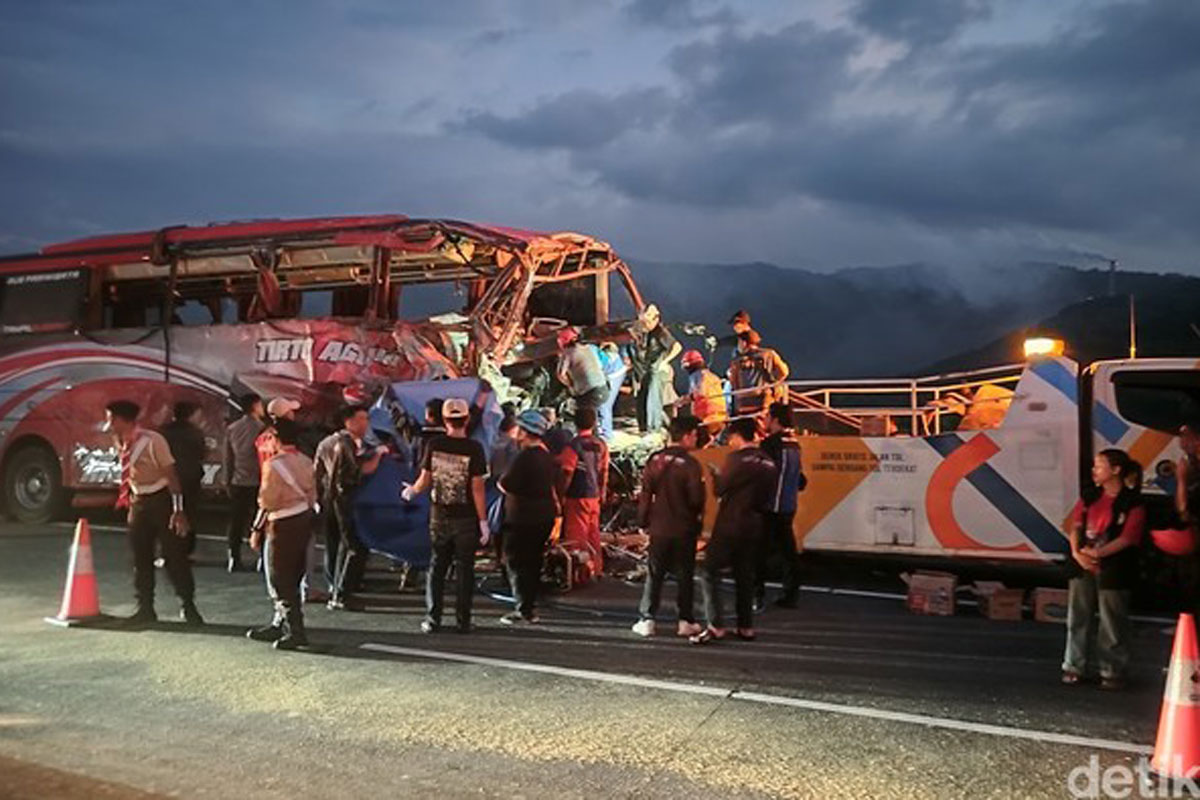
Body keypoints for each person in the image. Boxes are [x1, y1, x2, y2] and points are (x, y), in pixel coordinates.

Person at [106, 400, 203, 627]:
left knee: (174, 556)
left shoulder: (152, 441)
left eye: (111, 419)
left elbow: (172, 477)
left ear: (123, 420)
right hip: (139, 501)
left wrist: (178, 511)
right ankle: (145, 607)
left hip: (162, 500)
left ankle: (188, 605)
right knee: (140, 556)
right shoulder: (120, 440)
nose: (108, 424)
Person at [401, 398, 490, 634]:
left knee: (437, 567)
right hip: (467, 518)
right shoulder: (475, 448)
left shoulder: (435, 445)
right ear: (466, 419)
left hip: (439, 516)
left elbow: (425, 480)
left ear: (444, 419)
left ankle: (433, 619)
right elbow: (477, 488)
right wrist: (483, 521)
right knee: (465, 569)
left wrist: (411, 491)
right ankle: (463, 621)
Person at [1062, 449, 1145, 690]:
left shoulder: (1133, 502)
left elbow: (1128, 538)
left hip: (1114, 567)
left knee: (1112, 620)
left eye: (1099, 466)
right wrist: (1078, 553)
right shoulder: (1089, 497)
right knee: (1078, 616)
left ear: (1116, 470)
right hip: (1083, 563)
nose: (1094, 471)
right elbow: (1075, 526)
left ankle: (1112, 670)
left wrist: (1097, 554)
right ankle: (1073, 666)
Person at [691, 417, 777, 645]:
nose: (729, 442)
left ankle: (716, 625)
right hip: (755, 523)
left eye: (731, 437)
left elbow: (721, 489)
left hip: (731, 523)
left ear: (739, 436)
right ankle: (746, 626)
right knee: (744, 575)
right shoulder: (768, 461)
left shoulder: (738, 459)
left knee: (709, 571)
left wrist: (715, 474)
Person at [632, 415, 705, 638]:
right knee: (685, 574)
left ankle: (647, 619)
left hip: (659, 527)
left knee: (655, 573)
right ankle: (685, 620)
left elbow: (645, 495)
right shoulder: (691, 464)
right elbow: (696, 499)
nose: (696, 439)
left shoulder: (654, 460)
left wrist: (642, 522)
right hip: (684, 528)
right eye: (695, 435)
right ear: (687, 436)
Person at [246, 419, 316, 651]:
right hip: (303, 519)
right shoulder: (306, 461)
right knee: (294, 574)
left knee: (278, 576)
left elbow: (267, 501)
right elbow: (313, 494)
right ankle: (281, 622)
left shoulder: (273, 465)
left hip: (281, 522)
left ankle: (296, 631)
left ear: (276, 438)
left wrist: (256, 529)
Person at [314, 404, 385, 611]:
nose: (366, 424)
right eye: (362, 419)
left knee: (333, 544)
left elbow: (317, 471)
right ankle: (342, 593)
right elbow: (362, 469)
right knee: (354, 546)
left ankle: (333, 585)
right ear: (349, 421)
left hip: (328, 498)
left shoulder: (326, 442)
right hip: (344, 498)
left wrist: (317, 498)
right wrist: (379, 455)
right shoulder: (347, 443)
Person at [498, 410, 560, 625]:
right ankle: (530, 605)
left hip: (521, 518)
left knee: (516, 562)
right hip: (544, 516)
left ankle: (522, 607)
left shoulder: (523, 458)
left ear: (524, 432)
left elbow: (505, 484)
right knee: (533, 561)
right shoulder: (546, 455)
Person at [756, 402, 807, 609]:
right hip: (788, 505)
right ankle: (791, 594)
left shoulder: (770, 444)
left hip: (771, 506)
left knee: (758, 552)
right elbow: (801, 480)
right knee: (788, 551)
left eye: (767, 416)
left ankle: (756, 595)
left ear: (775, 420)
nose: (765, 420)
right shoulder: (794, 443)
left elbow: (763, 474)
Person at [558, 407, 609, 577]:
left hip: (576, 496)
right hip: (594, 496)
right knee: (593, 533)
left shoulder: (572, 446)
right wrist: (602, 493)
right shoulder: (600, 445)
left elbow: (567, 471)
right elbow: (604, 471)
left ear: (575, 423)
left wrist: (561, 495)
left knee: (576, 535)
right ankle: (596, 567)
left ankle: (579, 572)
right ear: (594, 423)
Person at [223, 393, 265, 572]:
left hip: (238, 480)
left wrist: (227, 479)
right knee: (260, 521)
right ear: (255, 406)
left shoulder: (232, 428)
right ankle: (262, 558)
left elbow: (227, 457)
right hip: (258, 480)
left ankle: (234, 557)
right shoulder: (262, 428)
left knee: (236, 521)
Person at [161, 401, 206, 556]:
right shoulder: (196, 433)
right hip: (191, 479)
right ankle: (185, 550)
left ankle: (167, 551)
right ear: (191, 415)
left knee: (167, 515)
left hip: (167, 479)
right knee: (189, 515)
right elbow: (201, 454)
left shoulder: (163, 432)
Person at [630, 304, 681, 434]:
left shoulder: (660, 332)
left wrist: (665, 361)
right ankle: (644, 428)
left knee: (653, 398)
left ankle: (654, 429)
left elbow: (677, 347)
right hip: (647, 371)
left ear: (656, 319)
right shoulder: (645, 334)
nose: (645, 324)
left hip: (657, 371)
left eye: (647, 321)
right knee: (642, 398)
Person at [727, 329, 789, 421]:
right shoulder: (769, 354)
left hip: (742, 404)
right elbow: (784, 372)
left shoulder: (736, 361)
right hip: (763, 401)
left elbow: (734, 383)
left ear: (744, 343)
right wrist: (774, 383)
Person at [556, 327, 609, 412]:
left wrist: (571, 386)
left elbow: (560, 375)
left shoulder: (568, 353)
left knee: (578, 412)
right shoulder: (589, 347)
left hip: (589, 392)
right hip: (604, 388)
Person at [680, 350, 727, 435]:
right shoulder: (712, 376)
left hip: (708, 417)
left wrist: (684, 399)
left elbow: (701, 392)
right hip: (720, 416)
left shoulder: (698, 375)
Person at [595, 341, 628, 441]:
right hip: (608, 372)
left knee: (604, 404)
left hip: (614, 373)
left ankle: (606, 435)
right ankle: (601, 431)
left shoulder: (593, 357)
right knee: (600, 403)